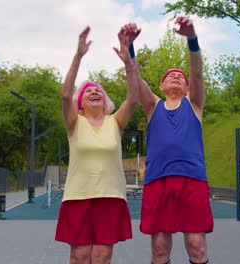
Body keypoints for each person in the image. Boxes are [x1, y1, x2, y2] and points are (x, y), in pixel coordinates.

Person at [121, 16, 214, 264]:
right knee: (160, 248)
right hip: (158, 181)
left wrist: (192, 38)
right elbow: (136, 78)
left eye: (180, 77)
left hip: (192, 180)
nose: (176, 77)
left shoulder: (194, 105)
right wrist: (130, 47)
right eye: (170, 75)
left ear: (186, 87)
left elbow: (196, 71)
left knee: (196, 246)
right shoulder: (153, 106)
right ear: (161, 86)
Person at [55, 26, 139, 264]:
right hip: (78, 197)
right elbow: (64, 96)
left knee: (102, 256)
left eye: (98, 91)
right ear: (80, 104)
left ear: (104, 102)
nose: (94, 91)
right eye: (89, 91)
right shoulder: (74, 123)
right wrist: (78, 55)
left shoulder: (116, 123)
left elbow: (133, 99)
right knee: (80, 256)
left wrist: (128, 63)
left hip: (110, 196)